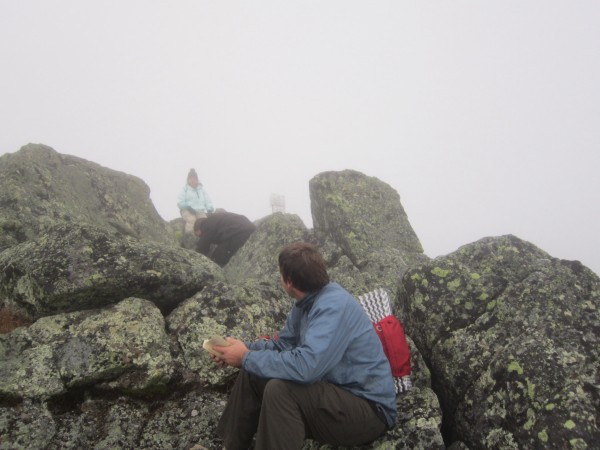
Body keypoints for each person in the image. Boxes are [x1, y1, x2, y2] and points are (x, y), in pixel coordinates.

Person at [210, 242, 397, 450]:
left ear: (289, 281)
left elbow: (306, 367)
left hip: (368, 411)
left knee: (280, 390)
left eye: (280, 274)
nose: (279, 278)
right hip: (335, 396)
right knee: (253, 372)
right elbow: (284, 345)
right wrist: (241, 350)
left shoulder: (333, 306)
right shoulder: (307, 302)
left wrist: (246, 357)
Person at [177, 169, 214, 234]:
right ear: (188, 180)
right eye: (190, 178)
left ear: (197, 180)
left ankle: (203, 239)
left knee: (204, 222)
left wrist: (210, 208)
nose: (192, 180)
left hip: (200, 211)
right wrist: (188, 207)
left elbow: (207, 200)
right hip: (187, 210)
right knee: (192, 220)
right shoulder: (185, 189)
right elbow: (180, 202)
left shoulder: (201, 190)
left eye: (194, 178)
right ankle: (188, 237)